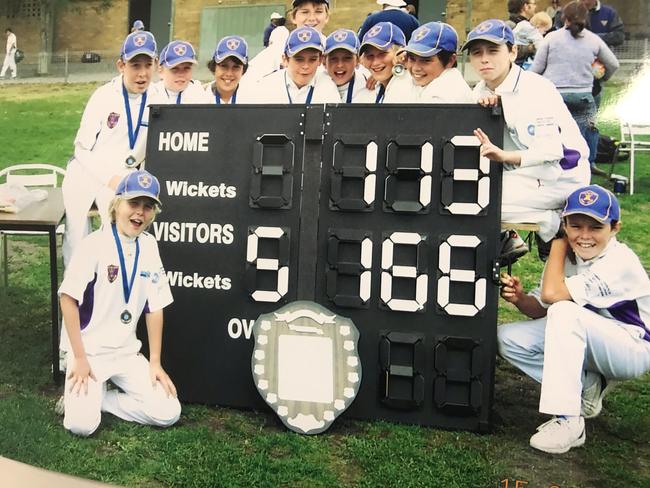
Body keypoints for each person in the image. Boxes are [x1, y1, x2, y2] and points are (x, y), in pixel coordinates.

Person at [498, 184, 650, 454]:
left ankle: (569, 420)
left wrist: (557, 241)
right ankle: (587, 388)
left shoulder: (619, 260)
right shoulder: (569, 255)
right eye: (575, 226)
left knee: (564, 312)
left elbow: (553, 295)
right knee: (508, 339)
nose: (584, 236)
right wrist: (520, 298)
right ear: (565, 224)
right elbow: (540, 307)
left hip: (631, 348)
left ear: (615, 228)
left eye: (596, 227)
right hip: (589, 336)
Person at [58, 169, 181, 437]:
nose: (139, 213)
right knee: (82, 426)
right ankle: (84, 398)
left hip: (126, 353)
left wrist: (155, 362)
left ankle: (101, 400)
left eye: (147, 207)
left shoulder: (149, 246)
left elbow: (155, 306)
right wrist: (78, 358)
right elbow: (68, 300)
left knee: (169, 411)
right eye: (133, 204)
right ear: (116, 205)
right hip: (89, 352)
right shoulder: (93, 244)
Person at [462, 19, 590, 257]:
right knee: (462, 196)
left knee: (477, 203)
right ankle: (544, 223)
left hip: (563, 175)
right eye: (477, 53)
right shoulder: (479, 92)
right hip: (524, 175)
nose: (484, 59)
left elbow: (552, 152)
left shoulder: (536, 88)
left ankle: (552, 224)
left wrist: (505, 156)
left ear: (513, 52)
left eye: (493, 50)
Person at [61, 31, 160, 266]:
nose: (142, 73)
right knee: (77, 237)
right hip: (88, 171)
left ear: (156, 65)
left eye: (148, 65)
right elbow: (81, 150)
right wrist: (109, 177)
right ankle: (75, 295)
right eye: (135, 65)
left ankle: (113, 293)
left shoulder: (159, 98)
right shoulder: (103, 96)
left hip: (127, 176)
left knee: (118, 235)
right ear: (121, 65)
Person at [530, 1, 618, 176]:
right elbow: (613, 64)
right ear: (585, 18)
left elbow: (536, 70)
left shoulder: (551, 38)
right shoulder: (594, 40)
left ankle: (553, 163)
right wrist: (599, 79)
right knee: (589, 129)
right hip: (583, 96)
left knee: (553, 130)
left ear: (564, 17)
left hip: (554, 95)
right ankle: (588, 164)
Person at [242, 0, 330, 87]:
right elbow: (248, 80)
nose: (312, 18)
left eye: (318, 11)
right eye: (305, 12)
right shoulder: (279, 48)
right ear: (293, 17)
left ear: (326, 17)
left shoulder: (333, 50)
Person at [242, 26, 339, 104]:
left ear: (320, 60)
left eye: (312, 60)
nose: (305, 66)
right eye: (299, 60)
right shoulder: (266, 87)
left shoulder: (327, 86)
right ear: (285, 59)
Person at [398, 21, 473, 103]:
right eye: (412, 58)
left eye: (426, 60)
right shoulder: (431, 80)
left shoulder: (444, 93)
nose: (416, 68)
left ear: (450, 60)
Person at [359, 22, 412, 104]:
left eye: (382, 53)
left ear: (400, 53)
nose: (375, 62)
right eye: (369, 55)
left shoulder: (405, 89)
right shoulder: (378, 84)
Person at [322, 29, 374, 103]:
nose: (340, 65)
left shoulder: (369, 84)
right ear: (324, 61)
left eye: (347, 58)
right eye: (333, 59)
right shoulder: (315, 81)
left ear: (358, 60)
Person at [154, 40, 207, 104]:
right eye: (174, 68)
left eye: (186, 68)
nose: (181, 74)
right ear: (160, 71)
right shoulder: (152, 94)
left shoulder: (199, 94)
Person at [205, 35, 249, 105]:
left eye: (236, 67)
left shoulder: (253, 99)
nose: (229, 73)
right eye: (224, 66)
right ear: (214, 67)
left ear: (243, 70)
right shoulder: (198, 97)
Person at [507, 0, 543, 66]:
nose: (535, 7)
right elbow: (507, 50)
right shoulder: (510, 26)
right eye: (534, 4)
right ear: (526, 6)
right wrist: (530, 48)